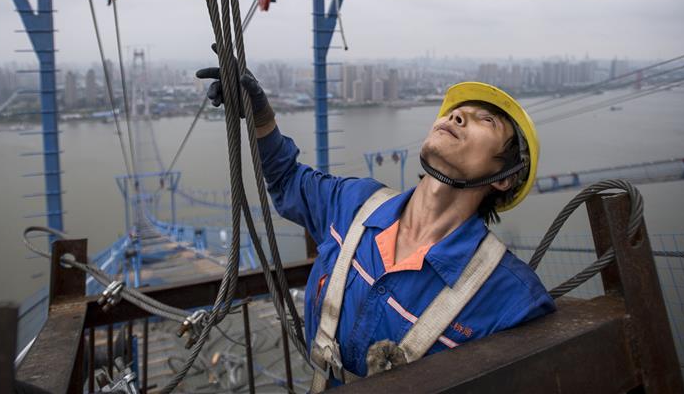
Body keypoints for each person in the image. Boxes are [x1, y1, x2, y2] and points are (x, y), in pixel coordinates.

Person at [197, 64, 555, 388]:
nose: (458, 115)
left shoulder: (512, 298)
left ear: (505, 178)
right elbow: (288, 180)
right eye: (456, 111)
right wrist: (261, 117)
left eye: (486, 120)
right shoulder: (355, 204)